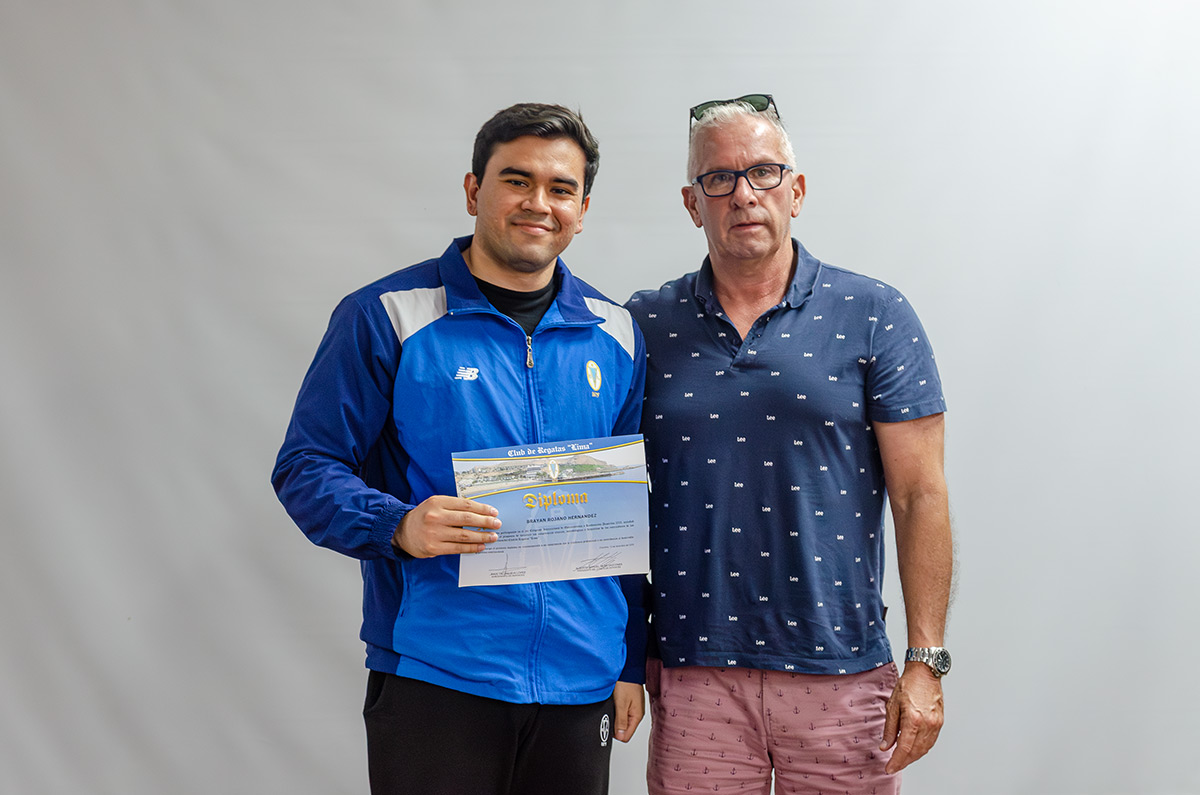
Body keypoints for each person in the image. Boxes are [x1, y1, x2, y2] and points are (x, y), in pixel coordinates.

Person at [272, 102, 647, 795]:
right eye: (517, 180)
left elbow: (622, 509)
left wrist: (628, 662)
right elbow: (305, 466)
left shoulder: (616, 333)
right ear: (474, 191)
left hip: (582, 679)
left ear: (583, 210)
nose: (539, 203)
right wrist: (398, 525)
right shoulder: (389, 315)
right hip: (439, 672)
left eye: (560, 188)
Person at [625, 94, 953, 794]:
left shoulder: (874, 313)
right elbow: (610, 499)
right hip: (694, 673)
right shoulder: (643, 325)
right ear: (692, 203)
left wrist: (926, 660)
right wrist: (624, 657)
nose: (743, 194)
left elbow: (920, 495)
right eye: (719, 178)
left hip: (843, 671)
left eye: (763, 173)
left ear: (796, 190)